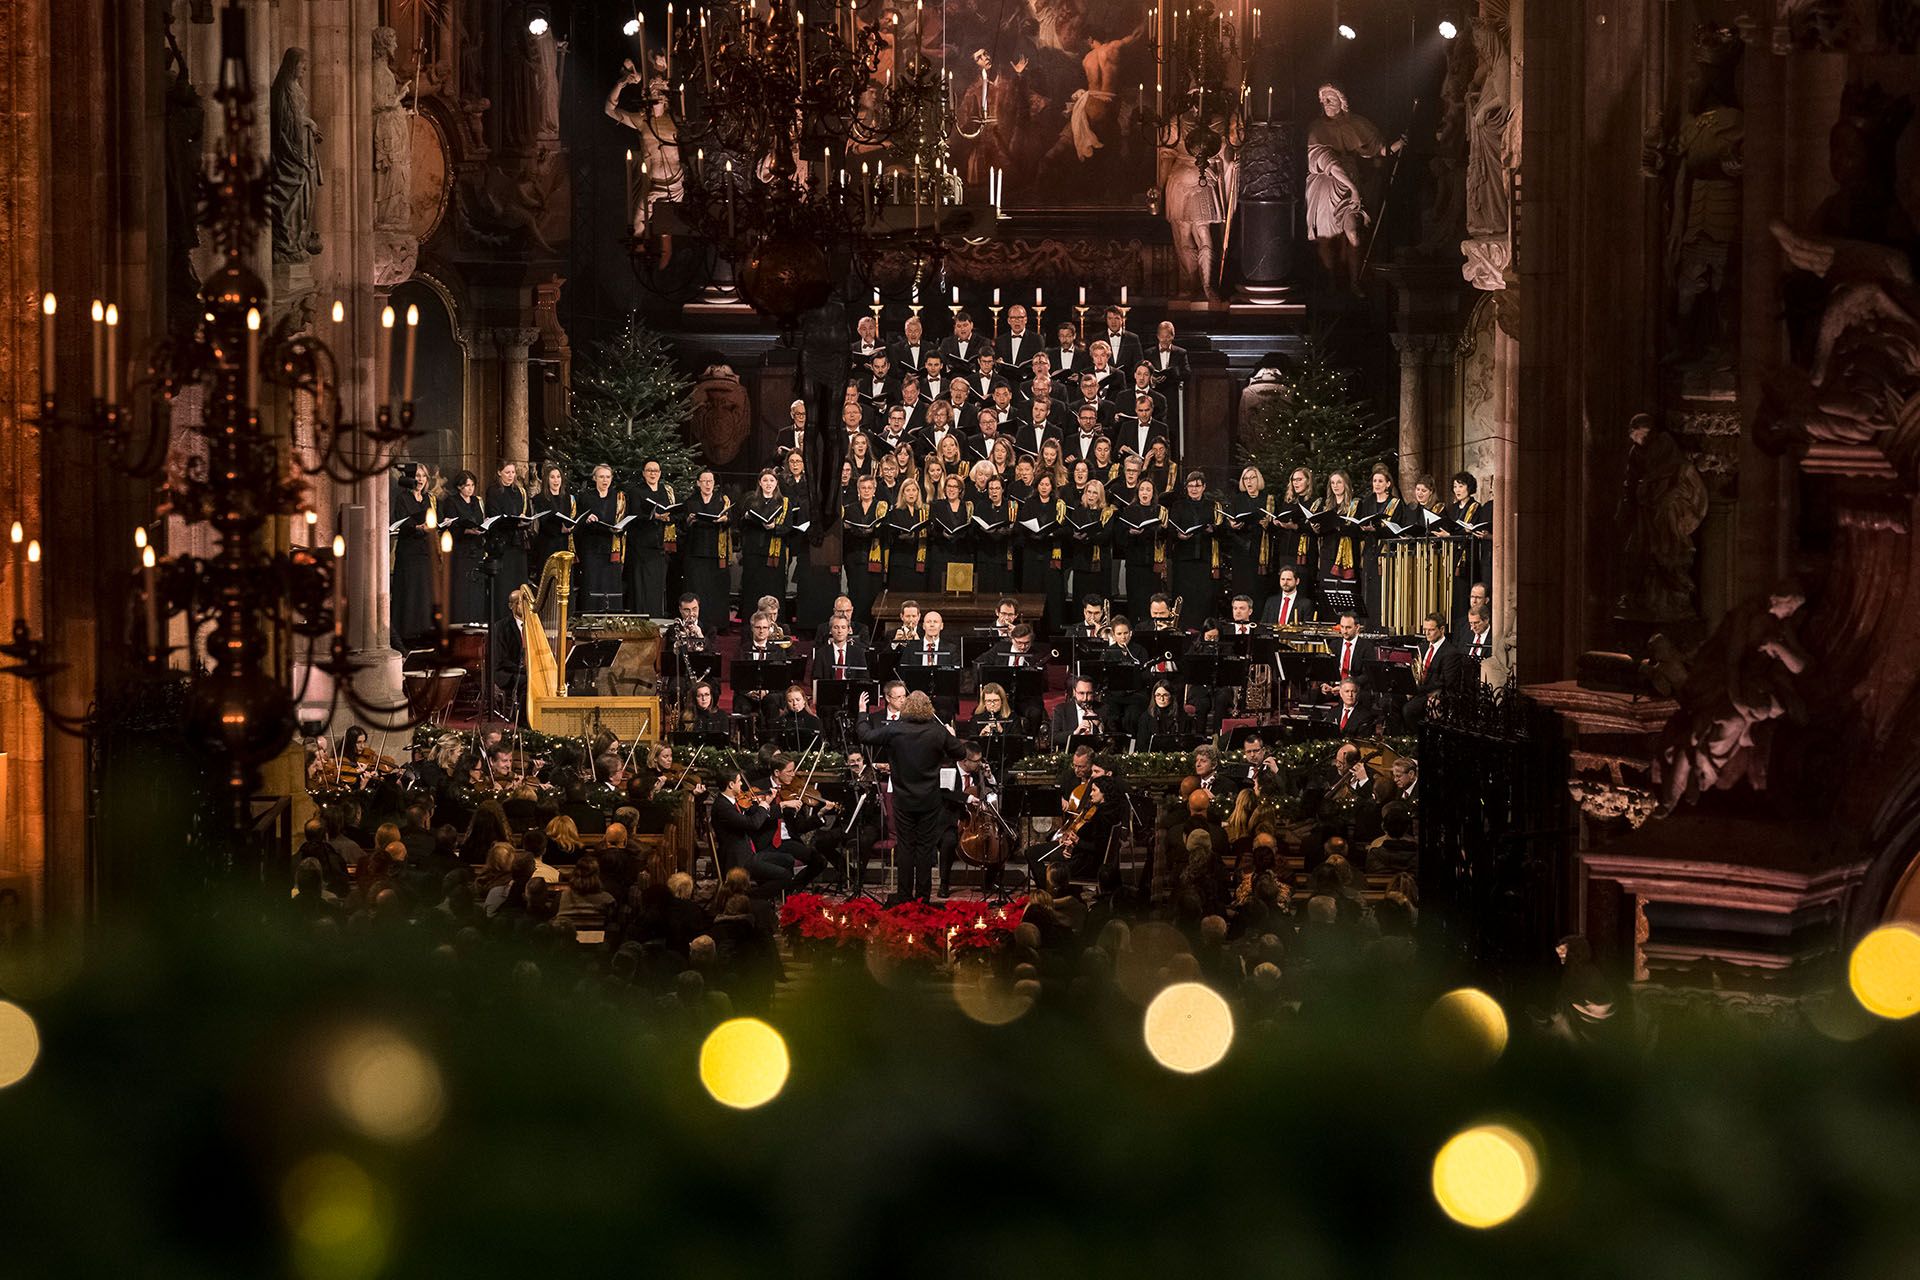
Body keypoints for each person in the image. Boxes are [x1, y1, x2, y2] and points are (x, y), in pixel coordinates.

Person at [857, 691, 967, 902]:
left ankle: (904, 895)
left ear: (906, 707)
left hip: (904, 799)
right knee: (925, 848)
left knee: (906, 847)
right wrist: (950, 735)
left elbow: (865, 736)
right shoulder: (937, 731)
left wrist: (863, 713)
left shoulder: (895, 729)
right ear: (928, 708)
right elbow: (961, 754)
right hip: (929, 800)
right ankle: (923, 897)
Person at [681, 468, 732, 634]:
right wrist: (688, 520)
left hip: (716, 552)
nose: (708, 484)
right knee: (698, 587)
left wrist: (724, 519)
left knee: (716, 590)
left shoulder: (722, 501)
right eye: (704, 481)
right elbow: (682, 526)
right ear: (698, 483)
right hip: (696, 551)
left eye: (710, 481)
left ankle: (718, 625)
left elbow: (730, 522)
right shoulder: (690, 501)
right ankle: (696, 624)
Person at [1166, 469, 1221, 623]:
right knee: (1184, 597)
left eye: (1197, 486)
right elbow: (1171, 529)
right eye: (1190, 486)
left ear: (1204, 487)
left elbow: (1222, 530)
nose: (1194, 489)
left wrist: (1212, 529)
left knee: (1203, 598)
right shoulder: (1178, 505)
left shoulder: (1212, 506)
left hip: (1204, 559)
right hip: (1184, 559)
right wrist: (1178, 535)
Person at [737, 469, 791, 623]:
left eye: (772, 481)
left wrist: (774, 527)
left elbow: (788, 527)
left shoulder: (784, 502)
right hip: (753, 552)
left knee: (774, 590)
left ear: (776, 484)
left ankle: (775, 626)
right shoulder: (750, 500)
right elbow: (741, 526)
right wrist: (746, 518)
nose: (768, 484)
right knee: (752, 590)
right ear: (760, 483)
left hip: (773, 554)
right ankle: (751, 625)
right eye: (765, 480)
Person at [390, 462, 434, 646]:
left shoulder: (427, 499)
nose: (420, 479)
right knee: (408, 591)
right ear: (410, 479)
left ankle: (422, 632)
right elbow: (402, 522)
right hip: (408, 551)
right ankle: (406, 634)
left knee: (423, 592)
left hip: (424, 551)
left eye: (423, 476)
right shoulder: (402, 498)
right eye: (417, 476)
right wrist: (417, 528)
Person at [625, 458, 676, 616]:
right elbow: (633, 516)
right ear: (643, 473)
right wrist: (653, 517)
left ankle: (656, 617)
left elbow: (672, 512)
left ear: (660, 473)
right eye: (649, 470)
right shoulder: (636, 491)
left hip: (660, 545)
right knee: (642, 587)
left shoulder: (665, 491)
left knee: (657, 586)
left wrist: (668, 517)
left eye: (656, 471)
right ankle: (642, 617)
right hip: (641, 545)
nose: (652, 473)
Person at [574, 463, 626, 613]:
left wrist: (620, 527)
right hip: (592, 547)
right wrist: (586, 519)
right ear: (594, 478)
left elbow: (624, 520)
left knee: (611, 585)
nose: (605, 480)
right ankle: (591, 616)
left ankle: (614, 618)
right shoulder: (586, 497)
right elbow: (577, 521)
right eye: (601, 477)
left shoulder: (619, 497)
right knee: (592, 583)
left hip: (611, 548)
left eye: (608, 477)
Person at [484, 460, 533, 618]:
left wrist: (524, 520)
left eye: (513, 472)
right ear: (499, 473)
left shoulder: (519, 491)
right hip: (502, 545)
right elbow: (494, 515)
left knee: (518, 582)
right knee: (503, 585)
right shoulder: (493, 491)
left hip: (517, 544)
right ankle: (501, 617)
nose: (511, 476)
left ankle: (520, 616)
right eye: (507, 472)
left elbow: (527, 513)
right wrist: (513, 521)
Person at [1404, 612, 1469, 726]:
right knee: (1388, 701)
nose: (1427, 633)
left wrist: (1416, 690)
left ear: (1442, 629)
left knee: (1409, 710)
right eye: (1425, 629)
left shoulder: (1451, 652)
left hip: (1433, 693)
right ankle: (1397, 739)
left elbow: (1445, 682)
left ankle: (1417, 740)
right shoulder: (1423, 647)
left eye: (1431, 630)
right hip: (1418, 689)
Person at [529, 462, 575, 571]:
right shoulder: (540, 498)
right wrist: (560, 529)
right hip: (547, 544)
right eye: (552, 477)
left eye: (558, 477)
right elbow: (543, 521)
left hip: (563, 543)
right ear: (547, 480)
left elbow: (568, 517)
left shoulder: (566, 497)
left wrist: (569, 528)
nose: (556, 480)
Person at [1049, 675, 1105, 747]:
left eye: (1089, 693)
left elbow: (1115, 736)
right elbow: (1053, 738)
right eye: (1081, 693)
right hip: (1071, 755)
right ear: (1074, 692)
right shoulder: (1061, 710)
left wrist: (1100, 726)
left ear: (1094, 693)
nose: (1085, 698)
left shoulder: (1103, 708)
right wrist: (1075, 733)